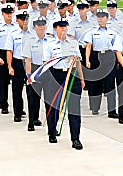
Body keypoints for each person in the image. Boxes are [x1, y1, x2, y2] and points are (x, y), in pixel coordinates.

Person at [42, 17, 85, 150]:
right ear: (55, 29)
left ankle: (75, 138)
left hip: (72, 76)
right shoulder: (49, 44)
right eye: (60, 26)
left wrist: (82, 79)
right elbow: (45, 64)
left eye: (65, 26)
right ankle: (52, 130)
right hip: (56, 75)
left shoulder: (73, 43)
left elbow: (78, 62)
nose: (63, 28)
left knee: (74, 108)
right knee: (54, 106)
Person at [84, 9, 118, 118]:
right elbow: (88, 46)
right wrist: (87, 60)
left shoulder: (112, 32)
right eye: (99, 17)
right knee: (95, 84)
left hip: (108, 57)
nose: (101, 19)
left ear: (107, 18)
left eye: (103, 17)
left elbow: (116, 48)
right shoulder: (92, 31)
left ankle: (112, 111)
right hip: (96, 57)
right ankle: (95, 107)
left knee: (110, 85)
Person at [23, 16, 49, 131]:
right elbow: (27, 59)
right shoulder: (30, 41)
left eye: (43, 24)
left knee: (48, 98)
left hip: (47, 70)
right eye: (39, 25)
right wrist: (29, 75)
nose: (41, 27)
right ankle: (31, 121)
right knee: (32, 97)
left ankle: (50, 124)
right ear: (34, 27)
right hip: (34, 69)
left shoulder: (50, 40)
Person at [0, 3, 16, 114]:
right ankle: (3, 103)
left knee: (16, 82)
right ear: (2, 14)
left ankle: (18, 107)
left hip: (15, 54)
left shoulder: (17, 25)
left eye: (10, 13)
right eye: (7, 13)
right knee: (2, 81)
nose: (9, 15)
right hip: (2, 53)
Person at [5, 9, 28, 122]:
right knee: (17, 89)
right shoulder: (13, 33)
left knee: (32, 91)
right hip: (17, 62)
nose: (24, 21)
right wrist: (10, 66)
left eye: (26, 19)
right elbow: (9, 51)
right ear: (17, 20)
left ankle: (34, 117)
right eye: (22, 19)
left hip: (30, 63)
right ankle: (17, 113)